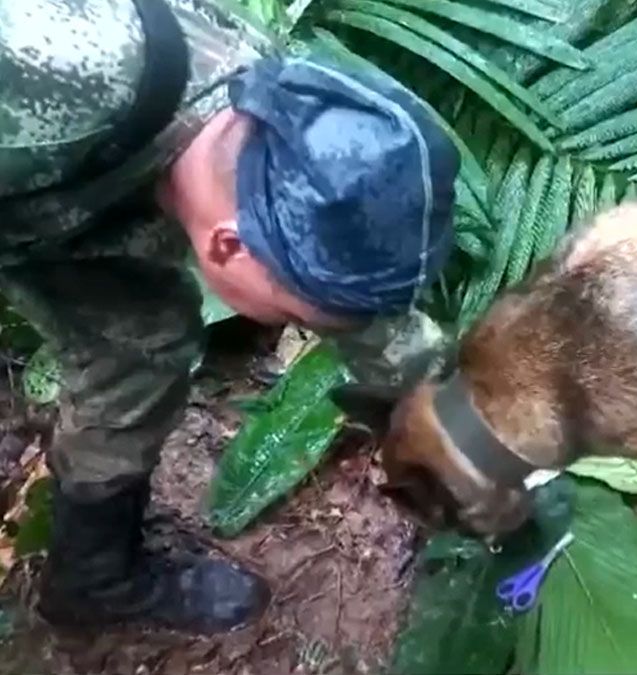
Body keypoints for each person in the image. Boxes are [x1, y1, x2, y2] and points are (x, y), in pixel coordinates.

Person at [0, 0, 460, 635]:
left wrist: (462, 422)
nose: (321, 328)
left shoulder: (281, 124)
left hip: (64, 196)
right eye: (295, 316)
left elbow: (361, 312)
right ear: (228, 247)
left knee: (140, 346)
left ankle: (92, 578)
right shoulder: (42, 83)